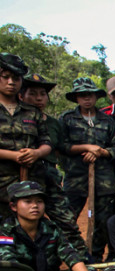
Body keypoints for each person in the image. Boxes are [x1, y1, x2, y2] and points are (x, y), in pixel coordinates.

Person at [0, 181, 103, 271]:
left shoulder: (50, 227)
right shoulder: (5, 232)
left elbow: (70, 255)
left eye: (39, 201)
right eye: (28, 201)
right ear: (13, 206)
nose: (35, 206)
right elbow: (15, 269)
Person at [18, 73, 89, 259]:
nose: (39, 98)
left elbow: (61, 148)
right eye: (33, 94)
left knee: (67, 221)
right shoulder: (15, 120)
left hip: (49, 176)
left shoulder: (53, 123)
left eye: (42, 94)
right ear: (21, 95)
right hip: (22, 178)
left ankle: (81, 260)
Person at [60, 77, 115, 261]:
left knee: (103, 220)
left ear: (96, 97)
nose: (87, 99)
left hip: (103, 178)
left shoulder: (107, 121)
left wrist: (100, 152)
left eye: (90, 95)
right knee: (67, 217)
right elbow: (61, 146)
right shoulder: (67, 119)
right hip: (76, 176)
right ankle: (73, 256)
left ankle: (96, 255)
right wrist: (86, 148)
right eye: (82, 95)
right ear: (76, 98)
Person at [0, 54, 52, 220]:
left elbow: (46, 142)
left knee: (29, 230)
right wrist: (14, 156)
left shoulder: (32, 112)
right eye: (5, 77)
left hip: (31, 182)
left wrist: (36, 153)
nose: (11, 82)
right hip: (2, 181)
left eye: (16, 78)